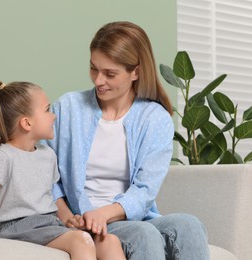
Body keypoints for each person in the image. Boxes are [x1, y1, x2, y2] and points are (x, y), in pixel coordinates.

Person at [46, 21, 210, 259]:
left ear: (136, 72)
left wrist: (105, 213)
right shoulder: (68, 107)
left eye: (110, 74)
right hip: (83, 218)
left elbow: (145, 189)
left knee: (189, 225)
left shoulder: (155, 118)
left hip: (127, 216)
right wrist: (67, 215)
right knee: (143, 234)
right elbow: (45, 171)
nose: (98, 80)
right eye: (94, 68)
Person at [0, 80, 126, 260]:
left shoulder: (47, 154)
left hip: (49, 223)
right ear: (27, 123)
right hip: (18, 228)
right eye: (47, 110)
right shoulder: (3, 157)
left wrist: (68, 219)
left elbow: (50, 197)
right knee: (81, 240)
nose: (54, 116)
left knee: (109, 241)